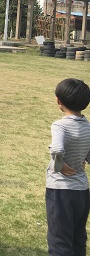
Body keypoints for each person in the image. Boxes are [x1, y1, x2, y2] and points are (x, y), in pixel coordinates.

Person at [46, 78, 90, 256]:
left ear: (59, 101)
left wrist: (60, 165)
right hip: (82, 191)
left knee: (60, 241)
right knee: (78, 238)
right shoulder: (88, 127)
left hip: (61, 190)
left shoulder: (60, 126)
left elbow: (57, 149)